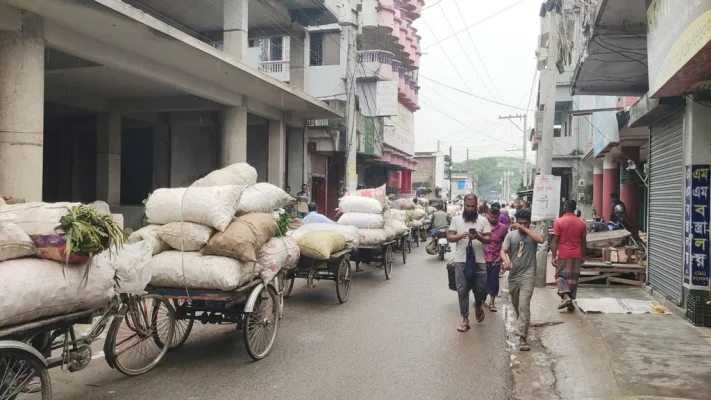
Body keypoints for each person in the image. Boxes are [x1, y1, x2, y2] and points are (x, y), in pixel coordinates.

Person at [501, 208, 545, 351]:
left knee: (524, 306)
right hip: (514, 275)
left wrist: (525, 229)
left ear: (529, 223)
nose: (522, 225)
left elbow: (541, 240)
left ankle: (522, 337)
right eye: (519, 223)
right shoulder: (510, 236)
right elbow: (503, 250)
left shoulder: (532, 235)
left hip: (528, 275)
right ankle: (523, 325)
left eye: (525, 223)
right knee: (517, 305)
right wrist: (506, 260)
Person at [448, 194, 492, 332]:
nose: (470, 208)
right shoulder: (456, 220)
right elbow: (450, 237)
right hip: (461, 261)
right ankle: (465, 319)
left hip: (479, 261)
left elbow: (489, 239)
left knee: (481, 289)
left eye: (473, 206)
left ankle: (478, 306)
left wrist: (477, 236)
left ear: (477, 205)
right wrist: (462, 235)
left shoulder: (483, 221)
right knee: (462, 290)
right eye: (468, 206)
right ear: (464, 205)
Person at [551, 199, 587, 310]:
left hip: (564, 253)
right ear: (574, 208)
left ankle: (566, 297)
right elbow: (584, 241)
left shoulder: (559, 222)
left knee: (560, 276)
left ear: (564, 208)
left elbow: (555, 240)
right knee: (573, 278)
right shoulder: (581, 222)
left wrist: (553, 256)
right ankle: (570, 303)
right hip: (576, 253)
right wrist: (583, 255)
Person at [484, 205, 508, 310]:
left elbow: (506, 243)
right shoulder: (483, 226)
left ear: (499, 216)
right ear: (488, 215)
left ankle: (492, 302)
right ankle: (481, 300)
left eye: (495, 217)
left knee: (493, 281)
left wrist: (507, 259)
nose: (493, 219)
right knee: (482, 281)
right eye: (491, 217)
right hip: (483, 258)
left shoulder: (503, 228)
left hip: (496, 259)